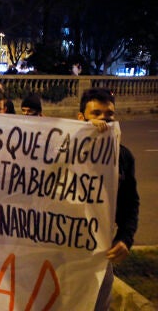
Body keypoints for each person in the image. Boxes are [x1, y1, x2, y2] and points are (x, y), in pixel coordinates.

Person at [77, 88, 139, 311]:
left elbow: (130, 204)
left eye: (109, 115)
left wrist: (125, 239)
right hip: (61, 257)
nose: (104, 119)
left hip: (98, 259)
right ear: (81, 118)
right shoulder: (62, 149)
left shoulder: (122, 157)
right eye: (96, 114)